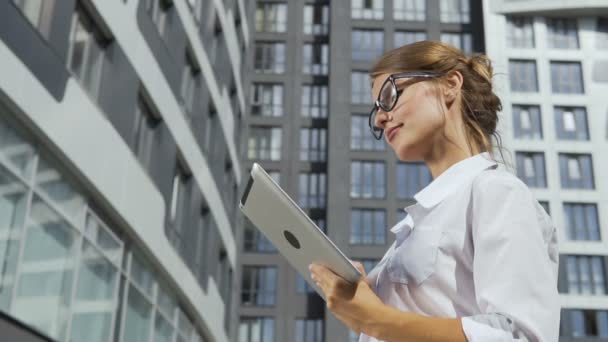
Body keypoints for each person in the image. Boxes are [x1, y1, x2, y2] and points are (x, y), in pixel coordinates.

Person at [308, 41, 560, 341]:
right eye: (376, 109)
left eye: (389, 95)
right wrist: (370, 298)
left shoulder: (496, 192)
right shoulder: (413, 232)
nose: (379, 117)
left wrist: (376, 319)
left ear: (450, 84)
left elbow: (521, 336)